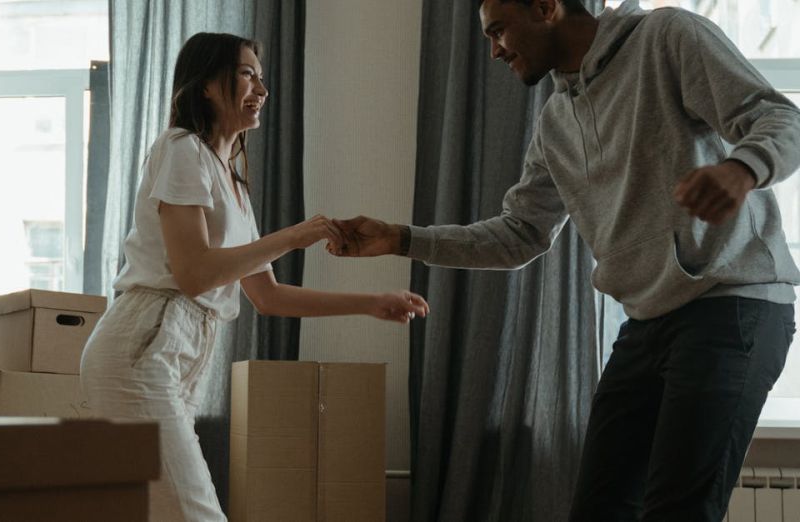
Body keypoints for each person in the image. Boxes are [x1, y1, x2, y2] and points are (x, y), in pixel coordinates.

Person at [329, 0, 800, 520]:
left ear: (547, 7)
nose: (493, 51)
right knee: (598, 508)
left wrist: (741, 169)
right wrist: (400, 238)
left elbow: (779, 117)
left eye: (499, 31)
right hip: (647, 324)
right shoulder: (556, 121)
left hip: (732, 305)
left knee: (678, 509)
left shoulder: (668, 36)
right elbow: (519, 235)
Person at [79, 32, 429, 522]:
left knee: (163, 511)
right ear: (205, 86)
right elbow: (196, 273)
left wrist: (371, 302)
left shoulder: (235, 186)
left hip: (183, 351)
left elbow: (268, 296)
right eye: (246, 74)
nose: (261, 89)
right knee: (195, 512)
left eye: (261, 77)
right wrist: (293, 236)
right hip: (144, 344)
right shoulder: (181, 149)